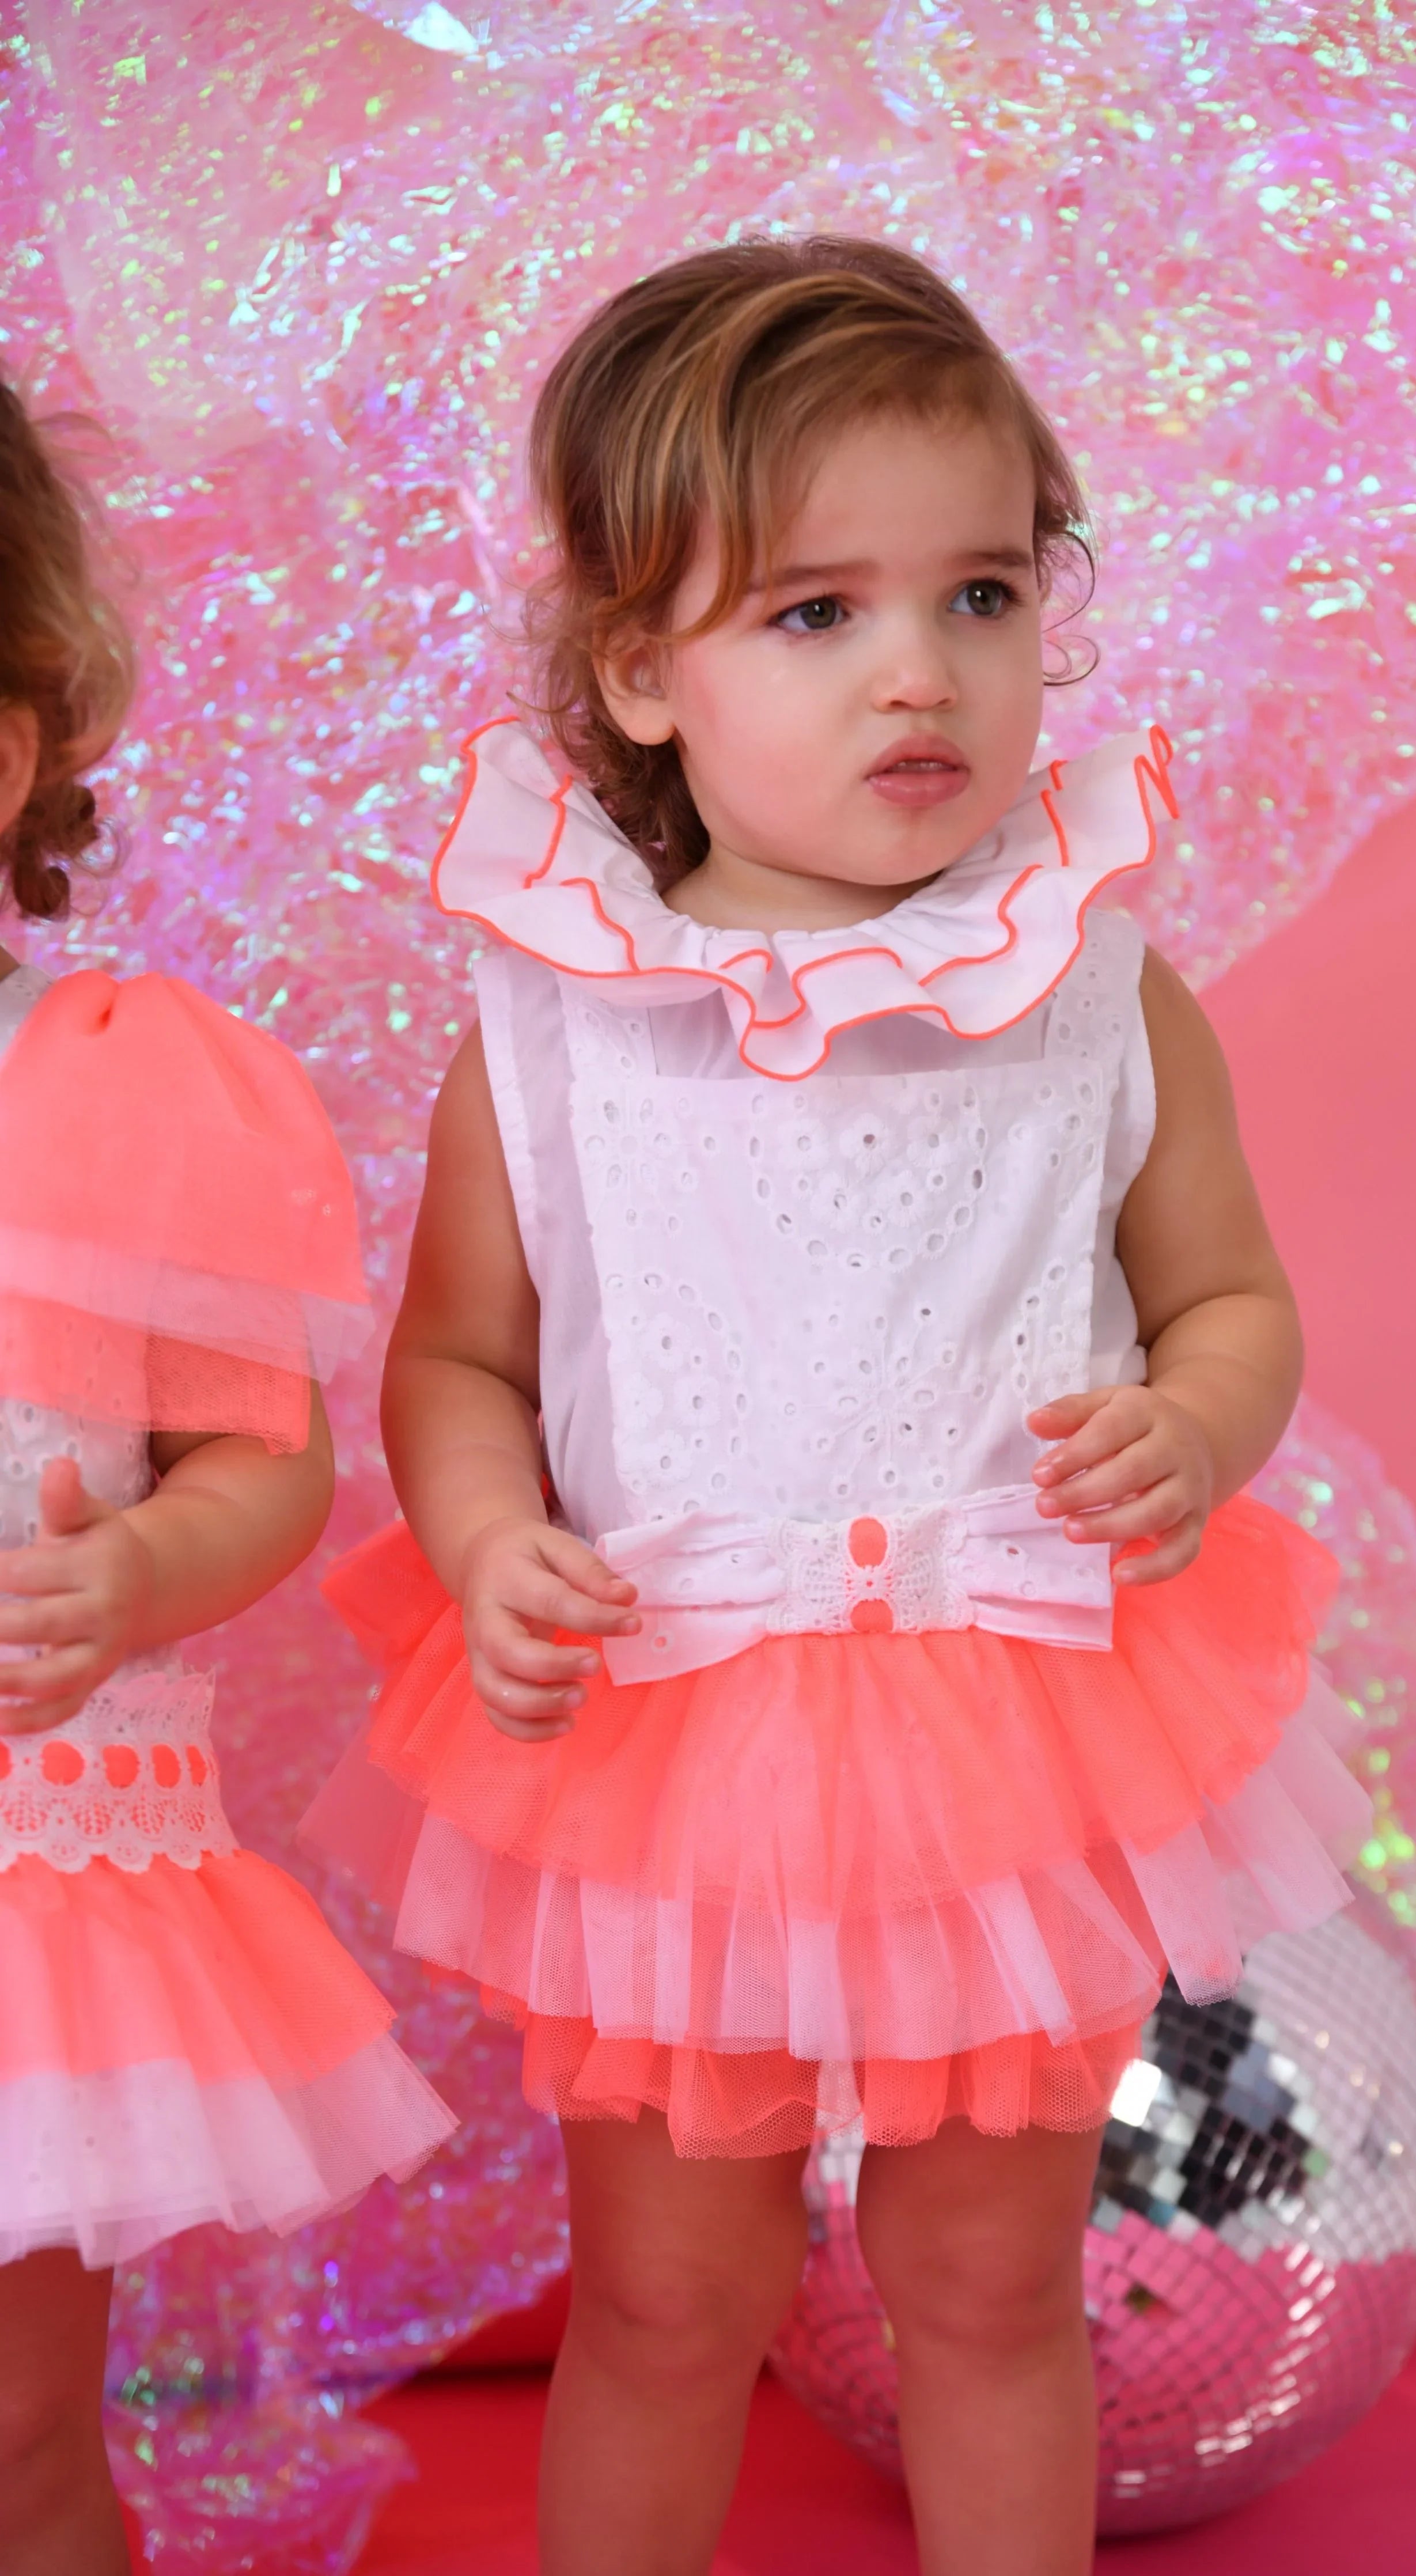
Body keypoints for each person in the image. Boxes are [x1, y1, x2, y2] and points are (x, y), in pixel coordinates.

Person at [308, 237, 1372, 2576]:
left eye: (980, 592)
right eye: (812, 615)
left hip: (1009, 1710)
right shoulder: (560, 1025)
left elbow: (1228, 1299)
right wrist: (487, 1535)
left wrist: (1192, 1428)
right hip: (672, 1721)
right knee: (670, 2294)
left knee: (989, 2279)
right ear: (639, 673)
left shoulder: (1092, 988)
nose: (921, 670)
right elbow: (462, 1357)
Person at [0, 381, 455, 2576]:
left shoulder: (108, 1096)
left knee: (12, 2433)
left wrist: (140, 1573)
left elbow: (255, 1457)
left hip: (24, 1877)